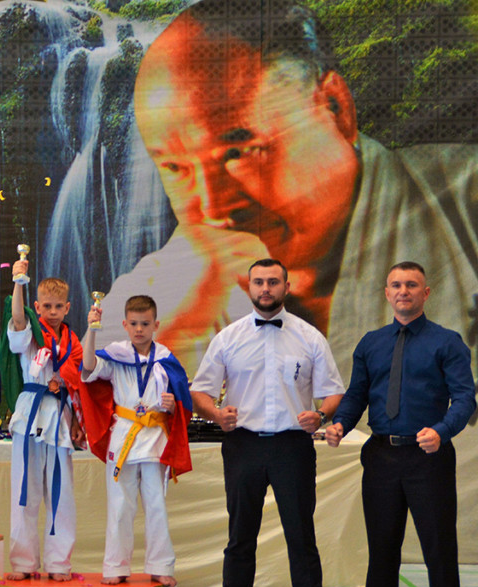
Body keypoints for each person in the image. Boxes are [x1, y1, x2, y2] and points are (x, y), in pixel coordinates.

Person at [102, 0, 478, 376]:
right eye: (175, 168)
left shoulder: (467, 200)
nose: (212, 209)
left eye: (240, 151)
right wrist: (175, 333)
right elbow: (98, 379)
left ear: (335, 108)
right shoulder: (169, 289)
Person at [188, 259, 344, 587]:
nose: (265, 288)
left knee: (301, 537)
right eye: (258, 282)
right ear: (249, 287)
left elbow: (333, 391)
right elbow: (200, 391)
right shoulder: (229, 337)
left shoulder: (309, 337)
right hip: (243, 445)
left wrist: (321, 415)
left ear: (286, 287)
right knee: (240, 537)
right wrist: (216, 414)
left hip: (293, 447)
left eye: (273, 282)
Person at [325, 262, 476, 587]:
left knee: (438, 548)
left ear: (426, 293)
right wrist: (340, 423)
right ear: (387, 293)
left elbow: (465, 398)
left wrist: (441, 431)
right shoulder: (371, 343)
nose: (403, 291)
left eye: (411, 285)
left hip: (428, 456)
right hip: (381, 457)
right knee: (381, 547)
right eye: (396, 285)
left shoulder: (447, 342)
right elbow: (356, 394)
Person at [81, 295, 191, 587]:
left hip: (154, 438)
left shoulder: (165, 359)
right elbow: (88, 367)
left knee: (156, 506)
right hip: (124, 438)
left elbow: (182, 403)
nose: (139, 329)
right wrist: (91, 329)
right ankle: (115, 566)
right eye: (133, 324)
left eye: (145, 323)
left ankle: (161, 565)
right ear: (124, 325)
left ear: (156, 325)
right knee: (120, 506)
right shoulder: (116, 356)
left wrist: (172, 405)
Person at [3, 262, 83, 581]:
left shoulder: (73, 342)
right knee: (25, 490)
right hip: (30, 413)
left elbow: (77, 380)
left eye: (58, 306)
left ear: (67, 308)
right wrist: (19, 282)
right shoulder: (30, 334)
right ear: (36, 307)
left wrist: (75, 419)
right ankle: (23, 562)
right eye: (46, 306)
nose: (52, 312)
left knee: (61, 494)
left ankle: (58, 562)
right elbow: (17, 318)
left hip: (59, 415)